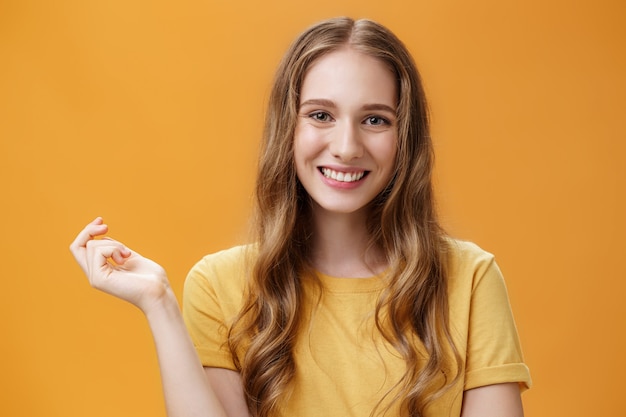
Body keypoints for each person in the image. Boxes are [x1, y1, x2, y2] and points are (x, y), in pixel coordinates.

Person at [70, 17, 531, 417]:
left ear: (404, 138)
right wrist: (159, 304)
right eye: (321, 115)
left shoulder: (470, 280)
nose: (347, 146)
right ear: (287, 128)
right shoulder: (218, 285)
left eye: (375, 120)